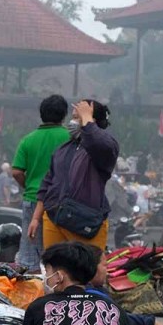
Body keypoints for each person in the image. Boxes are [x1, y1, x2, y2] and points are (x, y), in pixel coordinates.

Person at [20, 242, 143, 325]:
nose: (46, 277)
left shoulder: (39, 307)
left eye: (47, 272)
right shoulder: (113, 307)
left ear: (59, 276)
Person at [30, 100, 119, 251]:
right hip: (54, 217)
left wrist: (87, 121)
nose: (72, 122)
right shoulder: (63, 149)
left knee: (89, 269)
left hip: (85, 221)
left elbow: (101, 143)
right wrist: (36, 218)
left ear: (92, 121)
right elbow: (47, 183)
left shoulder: (104, 148)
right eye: (73, 117)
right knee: (55, 269)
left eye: (78, 118)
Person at [12, 95, 70, 273]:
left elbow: (16, 171)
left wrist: (28, 185)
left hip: (33, 198)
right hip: (63, 201)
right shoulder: (70, 138)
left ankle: (33, 292)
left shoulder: (28, 140)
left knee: (31, 255)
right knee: (61, 254)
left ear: (41, 114)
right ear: (64, 115)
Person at [85, 245, 163, 325]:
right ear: (91, 267)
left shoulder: (95, 290)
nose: (107, 271)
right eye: (105, 266)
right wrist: (149, 323)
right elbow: (120, 320)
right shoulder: (93, 296)